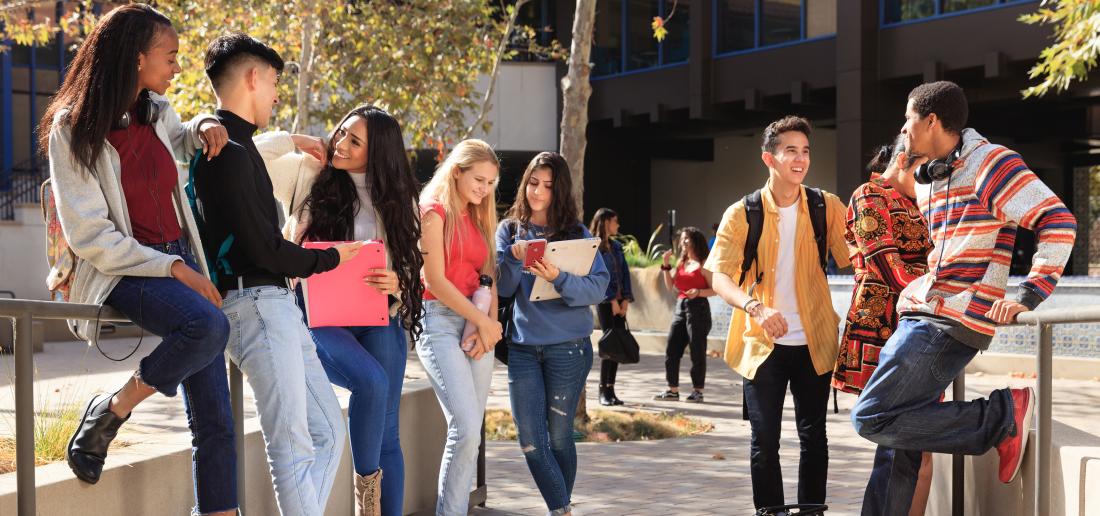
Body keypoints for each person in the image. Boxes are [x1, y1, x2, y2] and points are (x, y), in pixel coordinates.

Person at [43, 5, 236, 514]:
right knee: (209, 327)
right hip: (123, 269)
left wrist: (206, 124)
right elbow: (91, 236)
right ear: (135, 58)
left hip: (177, 256)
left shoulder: (155, 110)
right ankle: (112, 409)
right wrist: (172, 268)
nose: (177, 68)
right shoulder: (73, 129)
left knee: (216, 416)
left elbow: (183, 138)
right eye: (169, 57)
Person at [851, 81, 1077, 515]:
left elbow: (1057, 221)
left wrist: (1030, 292)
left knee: (872, 417)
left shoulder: (991, 163)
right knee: (898, 445)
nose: (903, 127)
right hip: (924, 312)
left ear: (931, 120)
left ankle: (1002, 415)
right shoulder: (932, 175)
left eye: (908, 118)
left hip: (947, 322)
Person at [191, 32, 362, 516]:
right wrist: (329, 260)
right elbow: (265, 250)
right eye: (274, 83)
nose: (277, 94)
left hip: (275, 307)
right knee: (293, 450)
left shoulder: (231, 145)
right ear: (252, 78)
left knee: (329, 430)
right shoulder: (226, 153)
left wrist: (290, 139)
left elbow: (253, 148)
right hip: (258, 307)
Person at [255, 104, 423, 515]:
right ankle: (367, 503)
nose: (340, 144)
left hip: (376, 314)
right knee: (370, 382)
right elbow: (246, 158)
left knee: (388, 435)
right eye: (342, 132)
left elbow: (412, 263)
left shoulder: (401, 200)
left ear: (378, 152)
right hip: (316, 315)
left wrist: (399, 282)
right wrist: (293, 140)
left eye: (355, 140)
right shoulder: (307, 174)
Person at [704, 115, 851, 510]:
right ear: (769, 158)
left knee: (814, 438)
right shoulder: (743, 213)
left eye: (805, 151)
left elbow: (856, 257)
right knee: (764, 442)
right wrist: (755, 306)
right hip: (761, 344)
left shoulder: (826, 206)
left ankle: (812, 511)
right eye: (791, 151)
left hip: (814, 340)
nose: (800, 159)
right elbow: (719, 277)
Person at [496, 151, 609, 516]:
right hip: (524, 348)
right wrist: (513, 259)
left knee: (560, 438)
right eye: (533, 182)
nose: (538, 192)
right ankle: (562, 509)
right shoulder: (509, 230)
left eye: (547, 185)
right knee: (530, 439)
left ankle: (558, 510)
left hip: (568, 348)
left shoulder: (578, 235)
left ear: (559, 190)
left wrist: (557, 277)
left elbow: (598, 288)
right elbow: (502, 289)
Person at [832, 140, 935, 516]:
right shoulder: (868, 195)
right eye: (925, 168)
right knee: (899, 444)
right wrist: (939, 291)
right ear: (904, 159)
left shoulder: (923, 202)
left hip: (923, 324)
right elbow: (886, 268)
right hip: (883, 324)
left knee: (918, 451)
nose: (929, 179)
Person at [416, 139, 503, 516]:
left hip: (477, 323)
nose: (484, 189)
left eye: (491, 183)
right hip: (437, 321)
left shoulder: (480, 216)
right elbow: (433, 280)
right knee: (465, 429)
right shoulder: (432, 212)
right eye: (479, 179)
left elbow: (489, 277)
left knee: (472, 438)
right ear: (457, 172)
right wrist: (482, 321)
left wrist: (489, 326)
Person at [653, 227, 715, 403]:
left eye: (686, 239)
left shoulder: (704, 263)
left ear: (695, 241)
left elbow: (715, 290)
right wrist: (666, 265)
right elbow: (671, 286)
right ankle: (673, 390)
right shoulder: (682, 262)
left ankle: (698, 391)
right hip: (681, 307)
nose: (683, 242)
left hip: (699, 308)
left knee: (697, 351)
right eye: (682, 239)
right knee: (672, 349)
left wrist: (698, 292)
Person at [588, 207, 633, 406]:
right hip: (605, 303)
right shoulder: (594, 247)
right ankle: (603, 391)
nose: (618, 225)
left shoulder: (616, 247)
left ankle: (611, 390)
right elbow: (596, 276)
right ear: (606, 222)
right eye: (615, 221)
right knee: (609, 346)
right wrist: (612, 300)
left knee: (618, 347)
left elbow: (625, 274)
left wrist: (625, 300)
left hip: (619, 303)